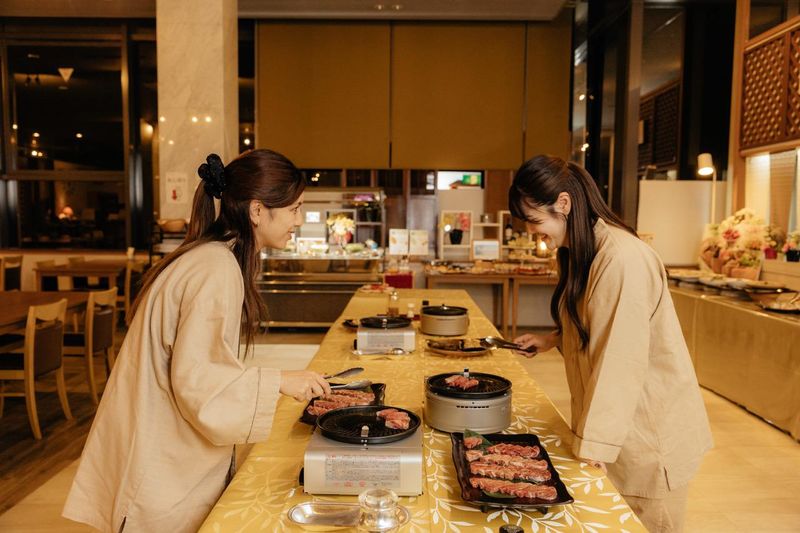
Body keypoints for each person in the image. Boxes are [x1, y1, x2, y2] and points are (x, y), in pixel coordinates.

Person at [63, 150, 332, 533]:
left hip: (159, 452)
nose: (298, 221)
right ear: (257, 210)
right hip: (161, 471)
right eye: (294, 209)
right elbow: (200, 383)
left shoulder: (210, 257)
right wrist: (279, 380)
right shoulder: (215, 269)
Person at [509, 155, 712, 533]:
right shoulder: (585, 250)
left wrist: (594, 447)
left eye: (535, 220)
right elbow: (596, 324)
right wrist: (551, 339)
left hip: (646, 434)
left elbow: (620, 363)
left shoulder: (622, 259)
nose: (534, 232)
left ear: (564, 203)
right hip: (621, 426)